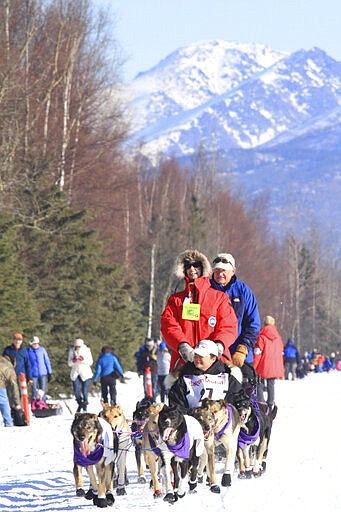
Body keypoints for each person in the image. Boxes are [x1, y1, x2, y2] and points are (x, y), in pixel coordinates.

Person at [161, 249, 238, 371]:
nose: (192, 269)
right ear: (183, 270)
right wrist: (182, 346)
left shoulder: (219, 297)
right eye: (188, 266)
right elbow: (168, 325)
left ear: (203, 268)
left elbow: (229, 325)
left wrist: (218, 345)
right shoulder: (175, 300)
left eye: (196, 265)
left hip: (215, 361)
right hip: (183, 360)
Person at [210, 253, 260, 368]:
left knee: (247, 385)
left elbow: (253, 325)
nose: (220, 274)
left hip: (238, 356)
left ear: (233, 271)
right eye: (217, 270)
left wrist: (243, 349)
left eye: (224, 270)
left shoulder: (244, 292)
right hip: (212, 357)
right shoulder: (206, 290)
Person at [167, 339, 243, 412]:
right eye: (196, 355)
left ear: (213, 358)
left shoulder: (227, 378)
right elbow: (176, 405)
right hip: (193, 422)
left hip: (222, 422)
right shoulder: (184, 378)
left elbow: (240, 400)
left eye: (201, 356)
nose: (197, 358)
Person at [253, 315, 284, 408]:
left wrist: (254, 366)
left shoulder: (262, 337)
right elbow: (281, 351)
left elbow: (258, 352)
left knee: (259, 383)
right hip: (275, 365)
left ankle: (261, 402)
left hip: (263, 364)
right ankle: (270, 403)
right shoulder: (278, 337)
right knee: (271, 384)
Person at [68, 338, 93, 412]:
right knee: (76, 390)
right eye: (76, 346)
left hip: (85, 373)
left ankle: (85, 404)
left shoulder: (87, 350)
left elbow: (90, 362)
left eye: (79, 346)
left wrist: (83, 359)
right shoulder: (71, 351)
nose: (77, 347)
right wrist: (74, 360)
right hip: (75, 372)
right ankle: (80, 403)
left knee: (84, 390)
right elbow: (69, 363)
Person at [27, 336, 52, 403]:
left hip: (42, 373)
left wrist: (49, 372)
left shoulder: (42, 350)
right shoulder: (28, 351)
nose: (35, 345)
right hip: (33, 374)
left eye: (36, 343)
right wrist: (28, 374)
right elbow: (27, 363)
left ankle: (43, 404)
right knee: (34, 390)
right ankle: (34, 405)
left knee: (42, 390)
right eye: (34, 344)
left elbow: (47, 361)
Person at [0, 355, 22, 427]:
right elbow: (14, 387)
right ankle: (8, 422)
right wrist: (17, 403)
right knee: (4, 401)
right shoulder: (9, 367)